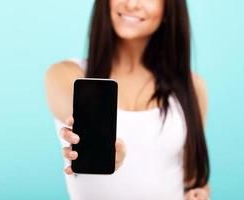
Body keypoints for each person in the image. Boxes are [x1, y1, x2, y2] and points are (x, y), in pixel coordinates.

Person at [45, 0, 210, 199]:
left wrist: (199, 194)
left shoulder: (192, 87)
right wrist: (104, 153)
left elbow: (194, 180)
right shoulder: (66, 76)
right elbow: (88, 130)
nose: (132, 4)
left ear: (169, 8)